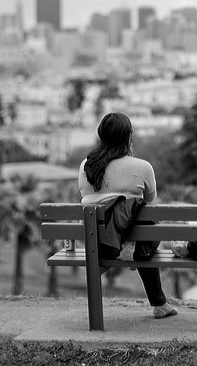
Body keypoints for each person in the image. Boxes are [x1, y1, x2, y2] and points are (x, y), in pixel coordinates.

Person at [77, 112, 178, 319]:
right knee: (144, 225)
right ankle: (159, 302)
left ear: (101, 135)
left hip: (97, 242)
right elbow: (151, 203)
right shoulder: (142, 167)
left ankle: (159, 300)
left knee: (134, 227)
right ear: (128, 137)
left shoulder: (86, 166)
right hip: (135, 243)